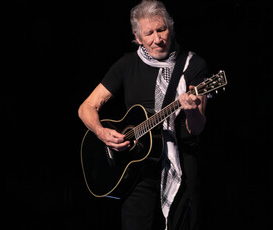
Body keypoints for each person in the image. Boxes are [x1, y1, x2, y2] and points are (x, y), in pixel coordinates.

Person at [78, 1, 208, 229]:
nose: (158, 39)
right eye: (149, 33)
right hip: (136, 168)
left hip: (181, 163)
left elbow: (196, 128)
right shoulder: (127, 64)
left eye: (162, 29)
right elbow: (86, 107)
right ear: (138, 38)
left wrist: (190, 111)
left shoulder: (192, 64)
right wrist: (101, 132)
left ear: (171, 27)